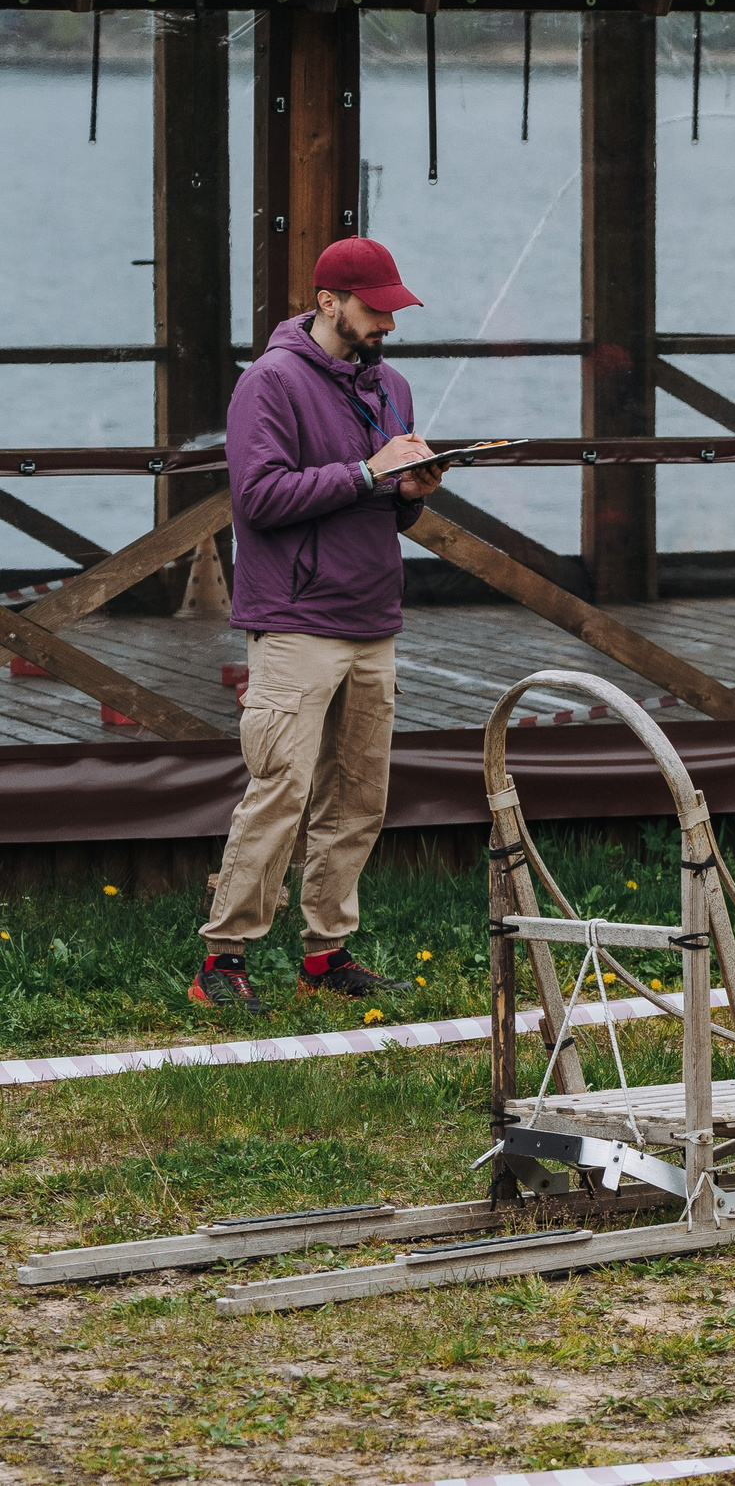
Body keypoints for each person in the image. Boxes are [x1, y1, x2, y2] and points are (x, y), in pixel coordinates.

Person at [192, 239, 448, 1012]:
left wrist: (410, 492)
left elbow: (383, 508)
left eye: (394, 311)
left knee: (358, 798)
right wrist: (369, 472)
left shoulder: (391, 385)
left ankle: (326, 954)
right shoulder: (268, 383)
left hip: (374, 617)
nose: (388, 326)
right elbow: (259, 499)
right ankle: (222, 961)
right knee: (281, 791)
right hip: (295, 621)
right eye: (376, 310)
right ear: (328, 301)